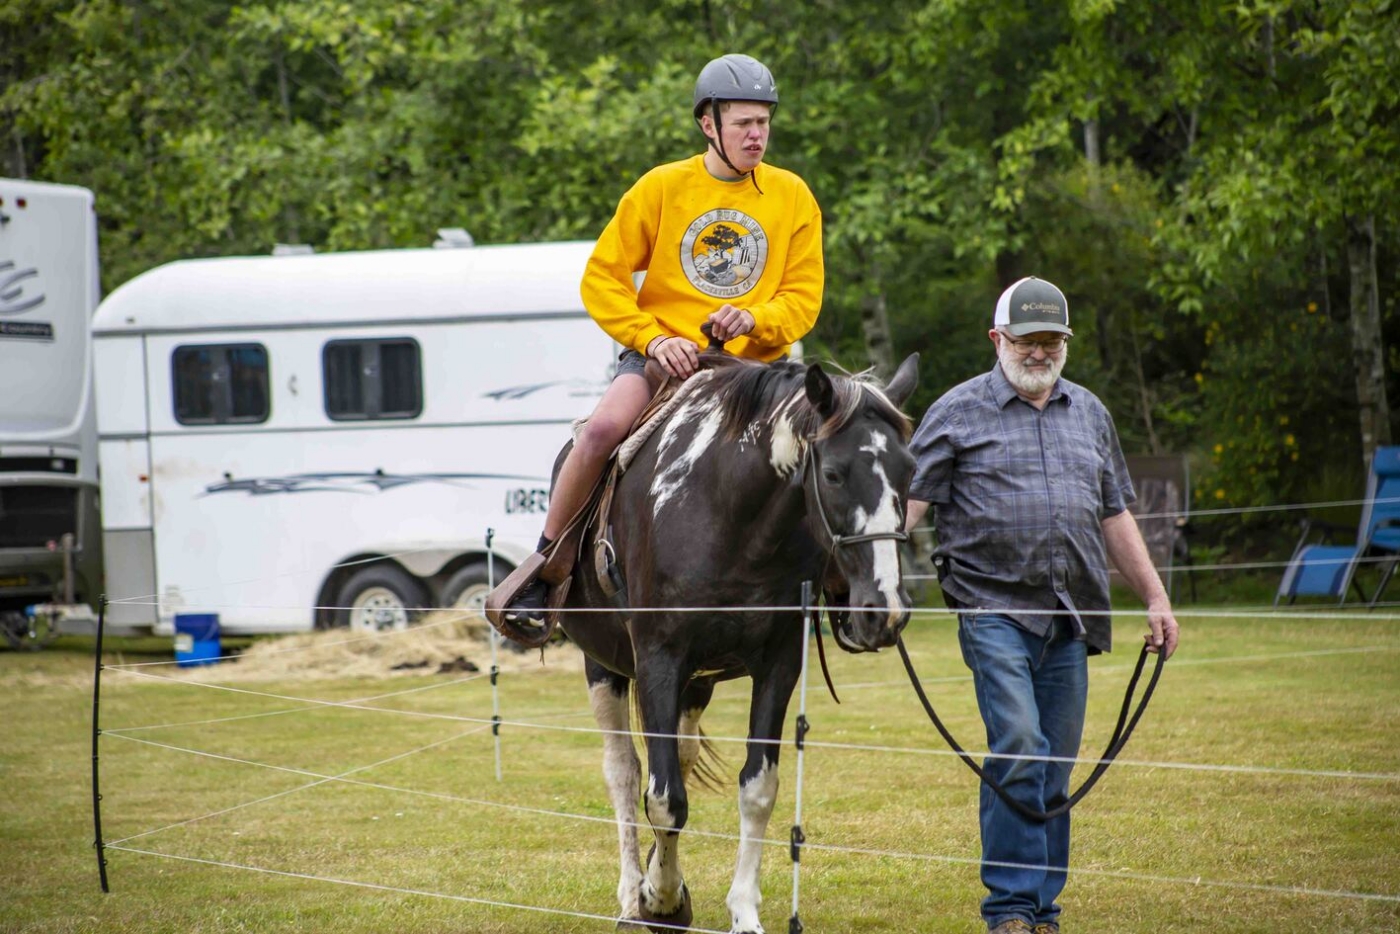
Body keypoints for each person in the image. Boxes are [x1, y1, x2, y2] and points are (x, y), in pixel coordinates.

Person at [500, 53, 824, 628]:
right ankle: (548, 567)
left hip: (754, 374)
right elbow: (602, 279)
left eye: (764, 122)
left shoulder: (793, 195)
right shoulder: (662, 187)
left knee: (838, 436)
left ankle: (846, 585)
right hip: (664, 362)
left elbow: (803, 298)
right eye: (743, 123)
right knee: (600, 429)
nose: (756, 135)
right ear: (709, 124)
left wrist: (752, 319)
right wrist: (651, 340)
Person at [903, 276, 1180, 934]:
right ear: (997, 339)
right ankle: (1009, 910)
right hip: (990, 608)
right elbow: (906, 509)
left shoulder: (1089, 412)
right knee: (1021, 746)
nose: (1039, 352)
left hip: (1072, 615)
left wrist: (1156, 596)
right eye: (1027, 340)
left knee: (1053, 766)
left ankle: (1041, 911)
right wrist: (866, 574)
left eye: (1052, 340)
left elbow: (1114, 512)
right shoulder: (956, 411)